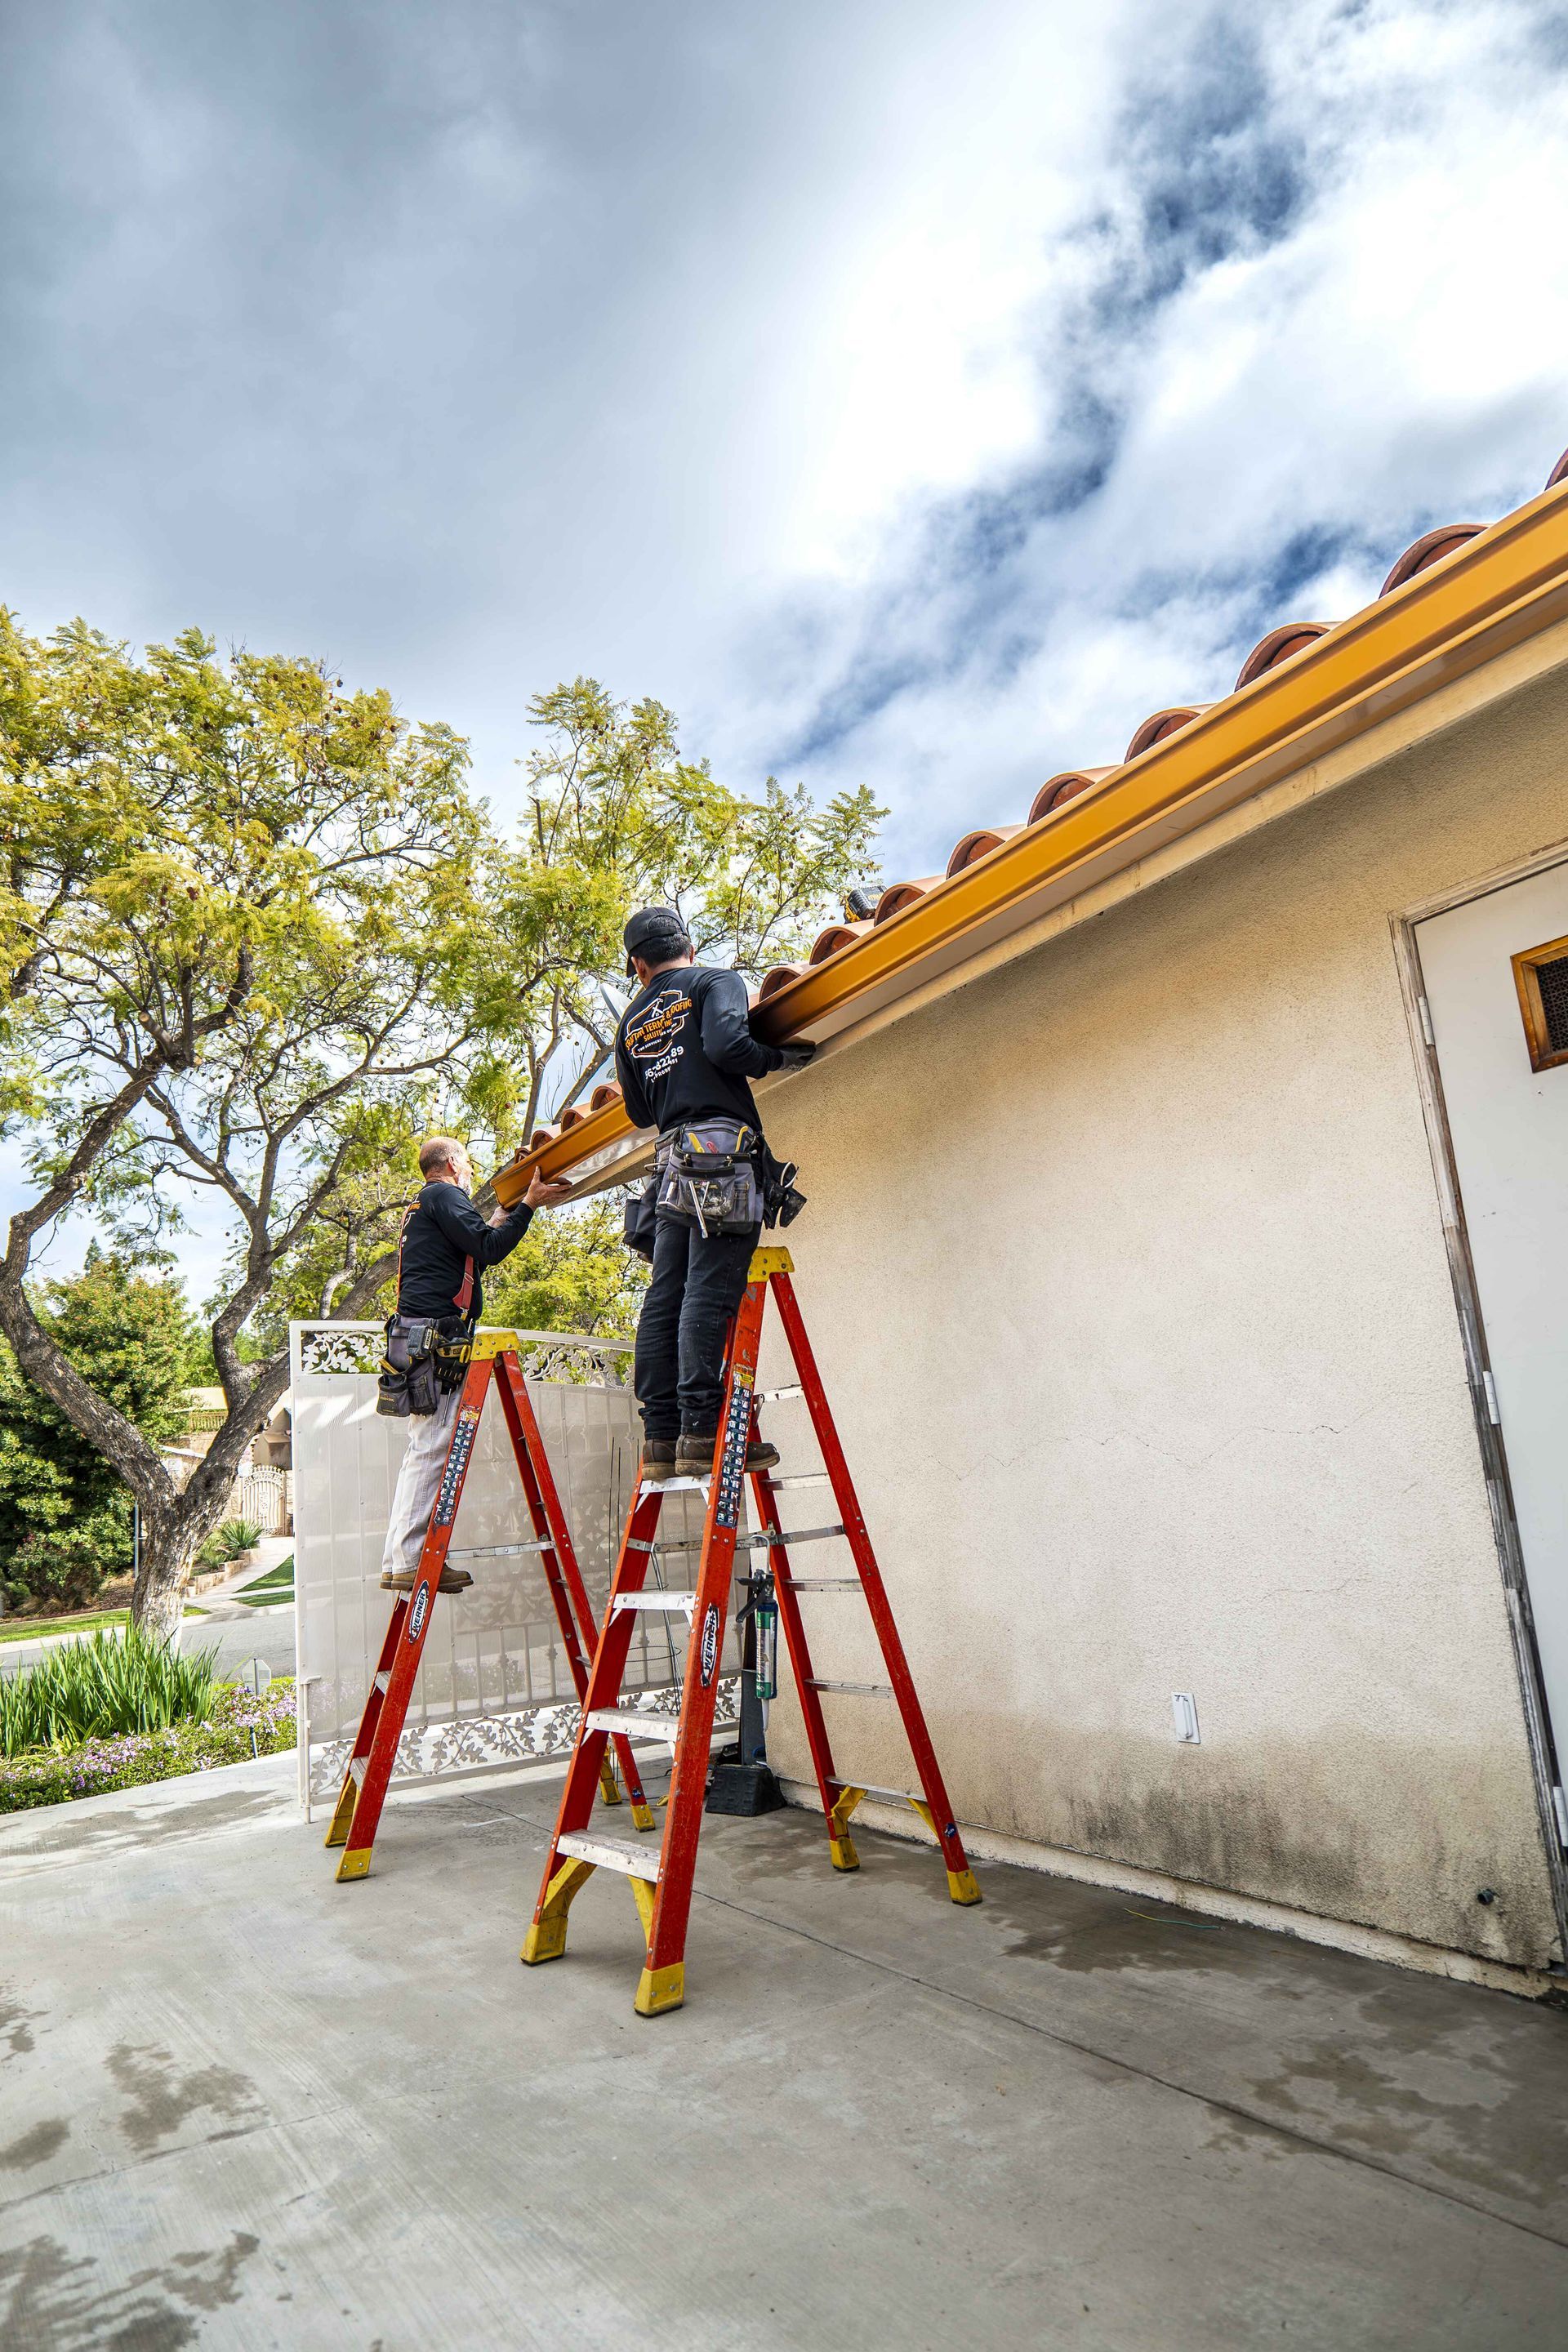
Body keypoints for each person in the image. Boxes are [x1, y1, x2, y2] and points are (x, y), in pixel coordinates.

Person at [613, 906, 814, 1480]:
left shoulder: (631, 1019)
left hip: (672, 1161)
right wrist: (780, 1058)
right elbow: (729, 1046)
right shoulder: (713, 981)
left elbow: (636, 1110)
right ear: (689, 947)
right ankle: (705, 1431)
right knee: (708, 1289)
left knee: (667, 1294)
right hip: (721, 1154)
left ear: (638, 965)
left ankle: (662, 1437)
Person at [378, 1136, 571, 1592]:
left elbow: (473, 1249)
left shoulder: (426, 1205)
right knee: (432, 1449)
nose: (471, 1170)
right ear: (452, 1163)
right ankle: (410, 1560)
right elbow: (488, 1248)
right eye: (468, 1162)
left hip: (417, 1334)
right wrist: (529, 1205)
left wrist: (510, 1210)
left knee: (423, 1448)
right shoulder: (445, 1195)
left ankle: (400, 1559)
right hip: (434, 1335)